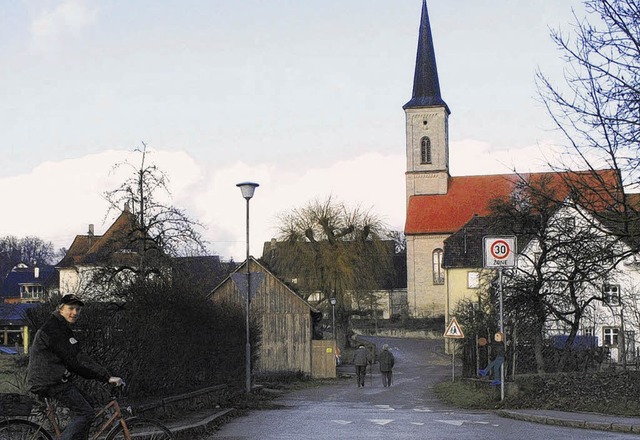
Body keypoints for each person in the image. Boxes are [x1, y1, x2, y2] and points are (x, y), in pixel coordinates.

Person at [27, 294, 124, 440]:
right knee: (86, 413)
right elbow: (77, 360)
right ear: (60, 309)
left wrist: (101, 376)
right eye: (71, 308)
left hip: (51, 378)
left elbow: (76, 359)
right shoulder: (55, 330)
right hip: (50, 381)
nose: (75, 313)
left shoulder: (60, 327)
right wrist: (106, 377)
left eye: (78, 310)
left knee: (89, 404)